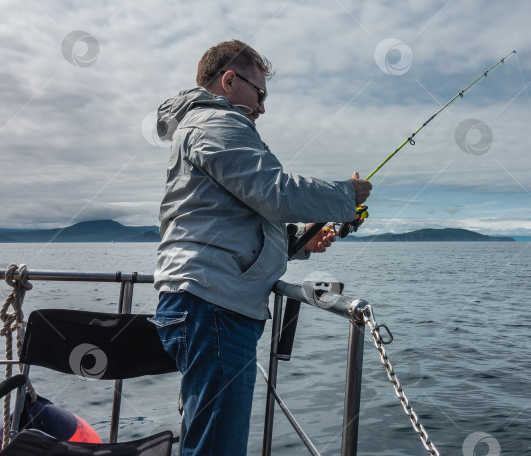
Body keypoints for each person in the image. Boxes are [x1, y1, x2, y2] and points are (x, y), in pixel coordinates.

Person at [149, 39, 371, 455]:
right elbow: (274, 191)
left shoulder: (207, 127)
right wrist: (347, 195)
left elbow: (238, 219)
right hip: (212, 306)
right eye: (260, 93)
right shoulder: (216, 124)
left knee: (208, 437)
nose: (263, 108)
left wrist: (299, 242)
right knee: (217, 447)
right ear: (229, 80)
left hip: (207, 302)